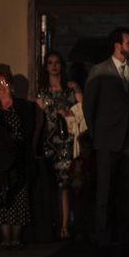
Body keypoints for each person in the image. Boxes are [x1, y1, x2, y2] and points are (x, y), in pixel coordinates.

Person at [83, 27, 129, 248]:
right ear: (117, 45)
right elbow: (88, 107)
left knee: (128, 192)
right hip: (107, 139)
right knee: (105, 193)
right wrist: (97, 135)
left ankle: (127, 239)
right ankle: (103, 239)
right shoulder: (100, 70)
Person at [0, 69, 37, 249]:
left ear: (12, 87)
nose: (1, 87)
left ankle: (16, 239)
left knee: (19, 198)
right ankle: (4, 239)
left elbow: (28, 131)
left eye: (5, 83)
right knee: (1, 198)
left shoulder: (22, 106)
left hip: (19, 158)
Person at [36, 51, 80, 239]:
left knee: (65, 184)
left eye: (57, 62)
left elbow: (82, 112)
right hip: (48, 142)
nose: (54, 66)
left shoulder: (71, 89)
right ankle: (51, 225)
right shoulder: (42, 92)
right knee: (50, 184)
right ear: (46, 67)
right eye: (50, 63)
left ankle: (65, 226)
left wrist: (71, 115)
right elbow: (37, 118)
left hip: (66, 141)